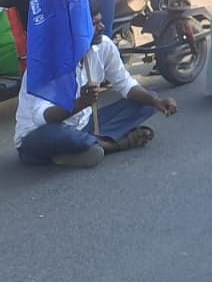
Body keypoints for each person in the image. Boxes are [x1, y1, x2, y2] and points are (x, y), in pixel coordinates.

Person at [14, 9, 179, 167]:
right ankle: (115, 145)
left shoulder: (104, 46)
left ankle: (82, 147)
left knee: (147, 101)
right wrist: (81, 103)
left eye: (100, 21)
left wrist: (156, 101)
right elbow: (43, 118)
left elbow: (125, 84)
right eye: (94, 24)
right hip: (40, 135)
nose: (102, 27)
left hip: (85, 126)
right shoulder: (47, 64)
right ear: (74, 30)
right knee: (61, 135)